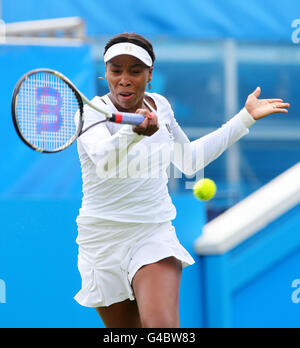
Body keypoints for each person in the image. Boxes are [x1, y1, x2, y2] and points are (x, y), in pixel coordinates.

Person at [74, 32, 290, 328]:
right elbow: (104, 159)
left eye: (135, 71)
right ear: (105, 73)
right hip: (100, 241)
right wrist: (133, 134)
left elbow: (190, 161)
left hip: (152, 233)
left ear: (150, 75)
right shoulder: (90, 112)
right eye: (116, 70)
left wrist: (244, 119)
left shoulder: (160, 106)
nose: (124, 79)